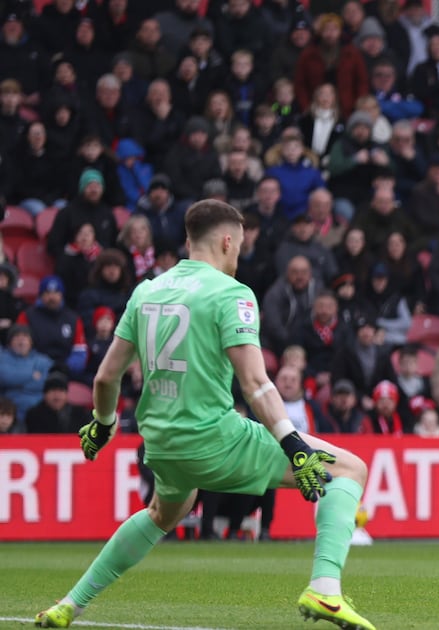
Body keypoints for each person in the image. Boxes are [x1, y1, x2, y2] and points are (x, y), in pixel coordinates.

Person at [34, 200, 376, 629]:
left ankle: (70, 604)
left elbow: (105, 378)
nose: (239, 255)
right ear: (228, 241)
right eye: (240, 246)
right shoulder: (232, 293)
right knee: (349, 470)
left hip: (161, 445)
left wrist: (103, 425)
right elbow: (256, 384)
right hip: (214, 440)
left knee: (163, 513)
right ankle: (325, 589)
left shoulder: (147, 291)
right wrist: (293, 443)